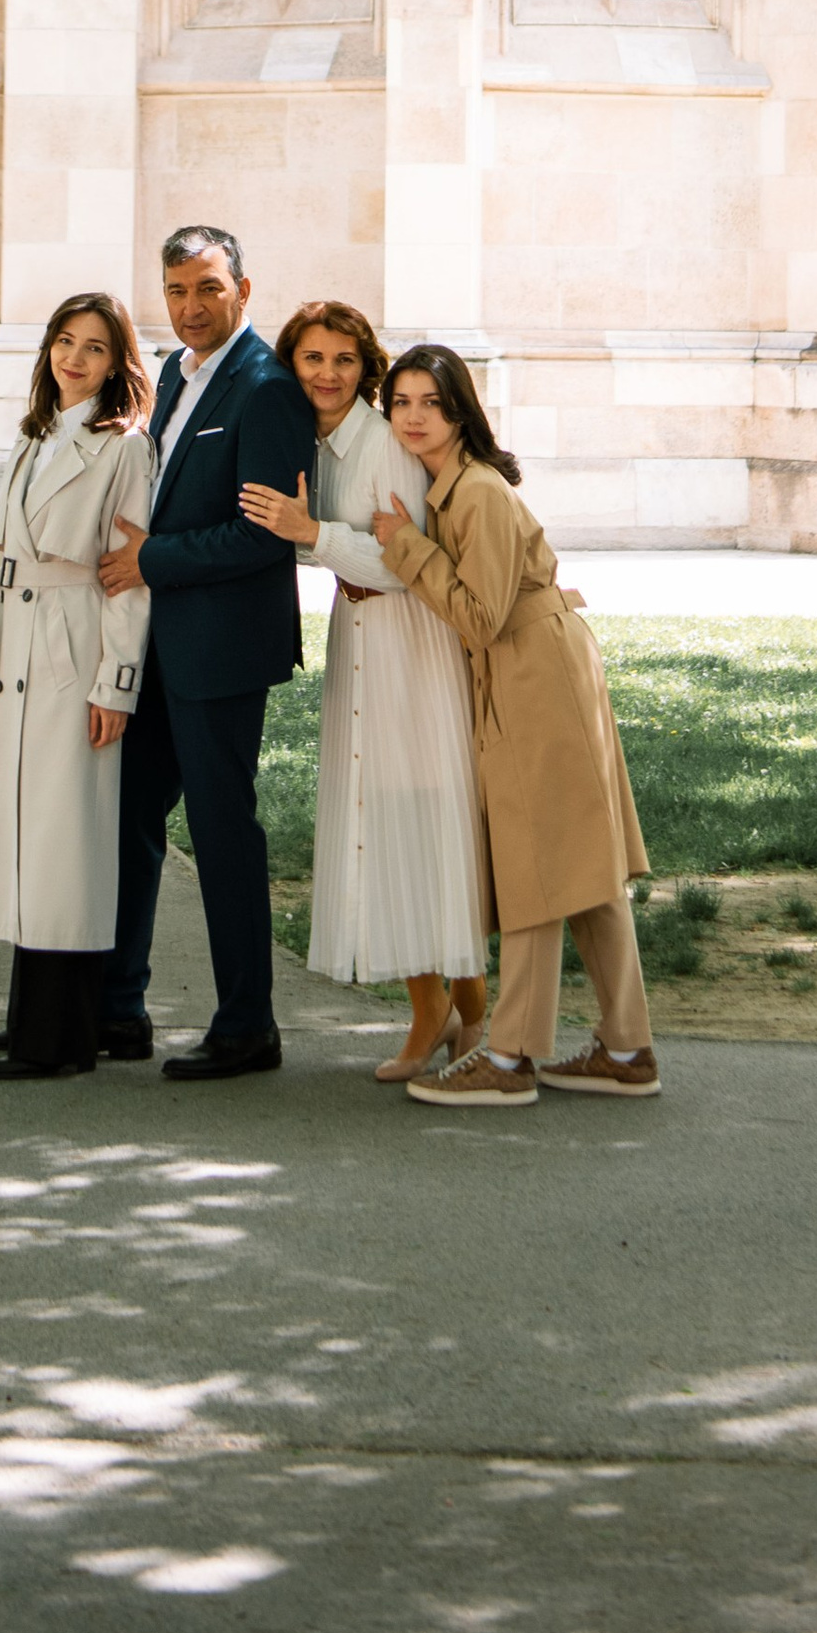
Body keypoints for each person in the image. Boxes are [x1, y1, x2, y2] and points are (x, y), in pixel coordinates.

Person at [371, 344, 662, 1108]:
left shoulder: (476, 493)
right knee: (584, 863)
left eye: (429, 402)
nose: (413, 416)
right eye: (400, 402)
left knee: (537, 858)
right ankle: (627, 1047)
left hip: (534, 671)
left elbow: (479, 615)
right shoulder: (455, 490)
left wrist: (403, 548)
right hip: (540, 663)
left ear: (459, 408)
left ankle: (507, 1059)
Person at [239, 299, 489, 1078]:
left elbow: (401, 563)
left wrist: (311, 534)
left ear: (365, 367)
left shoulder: (381, 444)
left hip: (409, 647)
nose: (328, 373)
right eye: (313, 358)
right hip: (362, 638)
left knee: (410, 811)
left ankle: (436, 1010)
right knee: (398, 813)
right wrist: (318, 540)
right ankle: (465, 1013)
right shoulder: (318, 442)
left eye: (344, 360)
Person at [97, 223, 319, 1081]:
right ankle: (119, 1009)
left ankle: (247, 1026)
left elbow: (262, 538)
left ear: (244, 290)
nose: (192, 308)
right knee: (130, 819)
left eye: (209, 290)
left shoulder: (264, 388)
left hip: (220, 649)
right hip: (157, 644)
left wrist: (149, 558)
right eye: (178, 291)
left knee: (224, 833)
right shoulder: (172, 373)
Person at [0, 292, 154, 1082]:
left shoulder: (123, 448)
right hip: (18, 644)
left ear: (119, 365)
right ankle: (29, 1018)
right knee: (24, 833)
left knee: (64, 841)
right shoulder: (38, 436)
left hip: (71, 648)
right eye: (64, 342)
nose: (74, 359)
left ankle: (63, 1039)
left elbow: (129, 579)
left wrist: (115, 685)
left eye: (95, 349)